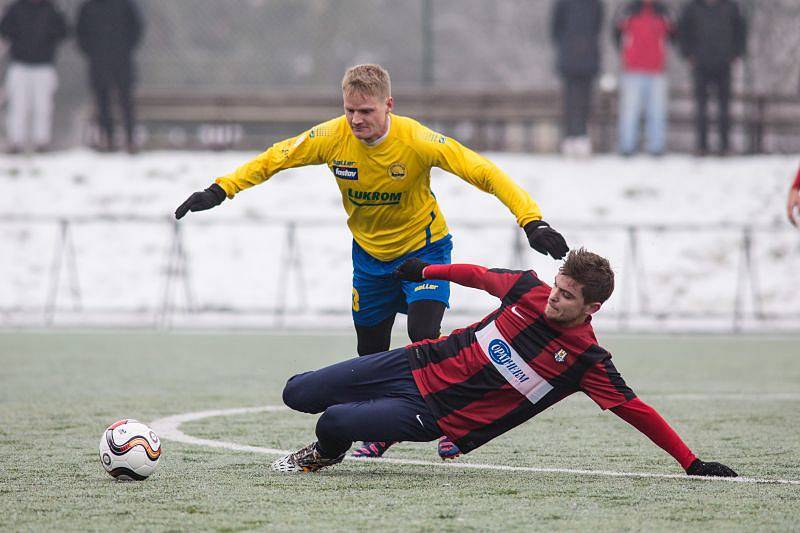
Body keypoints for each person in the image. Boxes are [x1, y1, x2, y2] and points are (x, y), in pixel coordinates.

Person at [174, 64, 569, 460]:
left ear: (388, 106)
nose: (356, 119)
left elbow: (484, 172)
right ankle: (382, 427)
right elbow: (276, 158)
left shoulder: (416, 140)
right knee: (372, 355)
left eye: (366, 111)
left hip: (424, 253)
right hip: (370, 261)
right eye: (350, 110)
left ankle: (455, 421)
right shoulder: (330, 137)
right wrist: (220, 189)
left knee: (424, 338)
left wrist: (532, 221)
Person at [270, 249, 738, 478]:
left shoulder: (587, 361)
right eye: (557, 287)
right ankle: (363, 418)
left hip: (434, 412)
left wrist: (691, 463)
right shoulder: (528, 289)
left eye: (568, 296)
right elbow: (477, 275)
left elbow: (636, 411)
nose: (554, 299)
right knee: (297, 392)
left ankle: (324, 455)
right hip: (412, 362)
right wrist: (425, 271)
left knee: (333, 423)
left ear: (591, 308)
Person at [678, 0, 747, 156]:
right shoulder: (691, 8)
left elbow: (741, 31)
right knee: (701, 108)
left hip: (724, 64)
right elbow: (683, 32)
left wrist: (736, 53)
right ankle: (701, 146)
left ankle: (725, 145)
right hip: (700, 65)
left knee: (725, 108)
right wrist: (688, 55)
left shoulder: (731, 7)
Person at [76, 0, 143, 153]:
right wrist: (92, 52)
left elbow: (136, 28)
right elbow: (80, 32)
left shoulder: (125, 5)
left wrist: (125, 49)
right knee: (102, 102)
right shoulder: (88, 7)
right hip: (98, 62)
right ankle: (108, 138)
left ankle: (130, 139)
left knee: (126, 101)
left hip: (122, 61)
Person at [0, 0, 67, 154]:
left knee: (43, 106)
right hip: (19, 65)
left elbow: (63, 31)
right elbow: (5, 29)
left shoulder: (52, 9)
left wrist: (47, 41)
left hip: (44, 65)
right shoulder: (15, 9)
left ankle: (41, 142)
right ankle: (15, 141)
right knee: (18, 105)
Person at [613, 0, 675, 156]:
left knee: (657, 112)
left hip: (657, 70)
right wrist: (627, 55)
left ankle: (656, 147)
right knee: (629, 112)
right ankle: (627, 147)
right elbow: (615, 33)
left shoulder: (664, 11)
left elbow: (674, 34)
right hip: (632, 70)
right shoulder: (627, 9)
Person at [550, 0, 604, 157]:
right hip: (569, 60)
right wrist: (568, 45)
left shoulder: (595, 4)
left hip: (589, 60)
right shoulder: (563, 3)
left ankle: (583, 137)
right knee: (569, 101)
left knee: (586, 101)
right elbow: (555, 29)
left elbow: (597, 27)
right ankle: (569, 138)